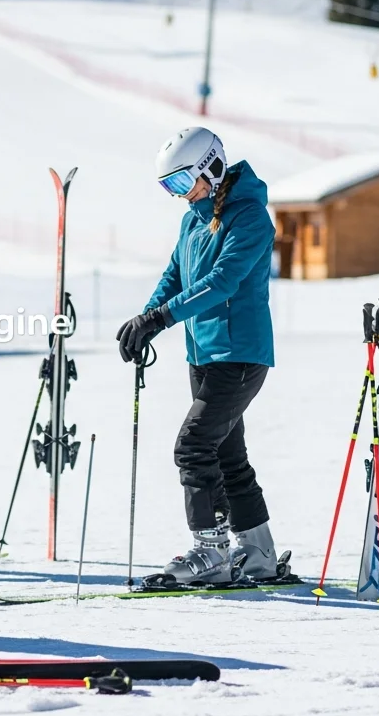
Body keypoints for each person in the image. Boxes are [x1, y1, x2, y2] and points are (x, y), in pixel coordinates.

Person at [116, 127, 278, 583]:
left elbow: (223, 281)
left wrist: (162, 319)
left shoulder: (250, 217)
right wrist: (146, 319)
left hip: (241, 353)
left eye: (183, 183)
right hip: (203, 352)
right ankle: (258, 553)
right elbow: (175, 275)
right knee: (227, 455)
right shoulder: (193, 218)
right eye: (170, 187)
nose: (180, 196)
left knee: (193, 446)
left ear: (212, 166)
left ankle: (211, 552)